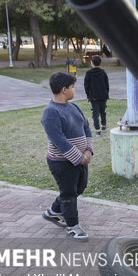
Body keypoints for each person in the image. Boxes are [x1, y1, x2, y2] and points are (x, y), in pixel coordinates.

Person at [41, 72, 93, 241]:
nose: (74, 90)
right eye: (72, 87)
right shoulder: (51, 113)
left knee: (78, 188)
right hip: (62, 163)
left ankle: (53, 211)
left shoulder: (74, 107)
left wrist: (88, 150)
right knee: (69, 193)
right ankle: (73, 226)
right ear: (64, 90)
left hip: (80, 159)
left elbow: (86, 128)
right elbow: (59, 141)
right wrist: (79, 157)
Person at [84, 55, 110, 136]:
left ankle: (97, 130)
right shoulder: (103, 72)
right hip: (103, 95)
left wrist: (88, 95)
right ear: (100, 63)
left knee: (95, 113)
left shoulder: (88, 73)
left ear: (92, 62)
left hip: (93, 96)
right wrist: (106, 93)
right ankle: (103, 125)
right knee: (103, 111)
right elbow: (107, 84)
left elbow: (86, 85)